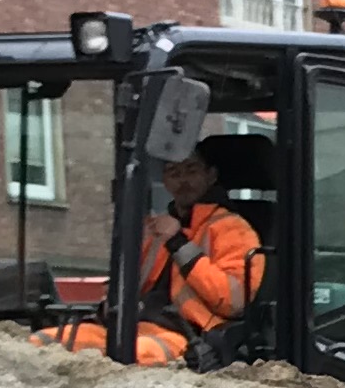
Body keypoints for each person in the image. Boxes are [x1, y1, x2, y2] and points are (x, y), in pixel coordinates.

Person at [51, 127, 266, 365]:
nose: (183, 180)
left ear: (211, 175)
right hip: (135, 325)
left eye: (191, 170)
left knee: (131, 357)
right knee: (47, 343)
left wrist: (179, 244)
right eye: (173, 172)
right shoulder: (155, 229)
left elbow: (233, 302)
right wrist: (111, 302)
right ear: (164, 180)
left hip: (188, 334)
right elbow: (132, 283)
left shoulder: (233, 229)